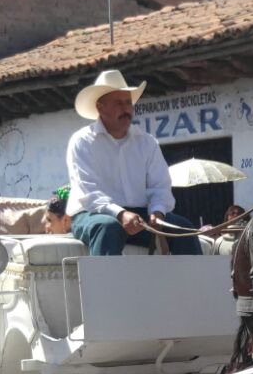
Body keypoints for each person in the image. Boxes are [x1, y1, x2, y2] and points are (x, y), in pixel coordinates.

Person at [65, 69, 200, 257]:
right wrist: (120, 214)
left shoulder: (147, 142)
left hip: (139, 216)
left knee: (183, 228)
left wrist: (158, 212)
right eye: (118, 103)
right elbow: (89, 193)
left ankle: (194, 286)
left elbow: (160, 186)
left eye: (128, 102)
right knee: (108, 228)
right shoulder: (81, 141)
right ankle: (104, 287)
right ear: (100, 107)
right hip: (91, 214)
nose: (126, 108)